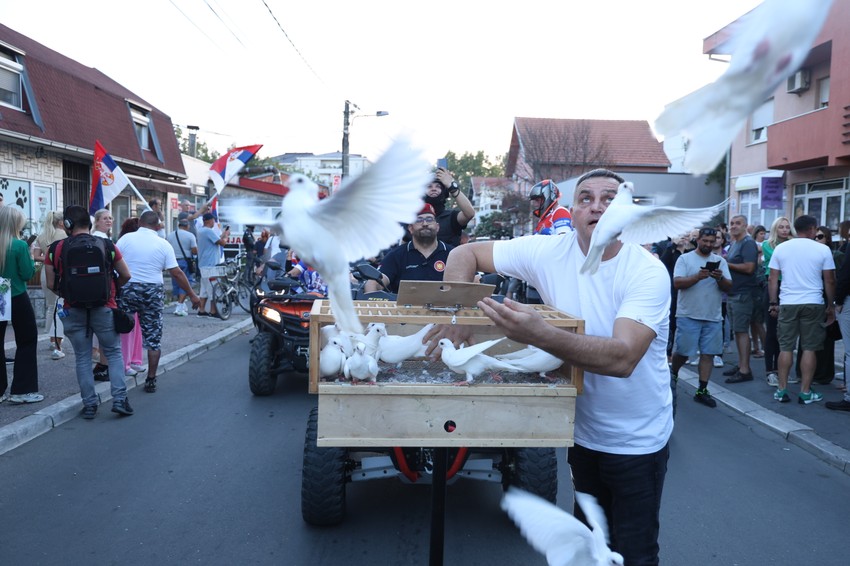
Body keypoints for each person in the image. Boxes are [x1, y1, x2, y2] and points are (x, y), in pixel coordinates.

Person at [432, 168, 672, 565]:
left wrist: (541, 334)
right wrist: (457, 311)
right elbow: (465, 252)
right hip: (581, 433)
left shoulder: (646, 271)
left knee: (634, 554)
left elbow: (623, 357)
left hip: (637, 440)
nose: (597, 207)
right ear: (571, 211)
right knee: (592, 547)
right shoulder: (549, 251)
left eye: (610, 199)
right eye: (586, 199)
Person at [44, 205, 132, 418]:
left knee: (83, 357)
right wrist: (111, 290)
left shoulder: (55, 249)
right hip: (105, 307)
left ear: (66, 225)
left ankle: (90, 404)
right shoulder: (107, 245)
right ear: (90, 223)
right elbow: (126, 274)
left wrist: (66, 292)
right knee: (113, 352)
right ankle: (119, 399)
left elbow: (50, 283)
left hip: (73, 309)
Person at [116, 210, 200, 393]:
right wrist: (192, 295)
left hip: (128, 287)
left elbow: (113, 265)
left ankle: (119, 374)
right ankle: (151, 379)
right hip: (152, 290)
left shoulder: (124, 240)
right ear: (158, 226)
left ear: (140, 223)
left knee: (122, 330)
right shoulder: (163, 244)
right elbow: (176, 273)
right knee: (153, 338)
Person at [767, 215, 835, 405]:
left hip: (788, 302)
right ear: (813, 229)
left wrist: (773, 303)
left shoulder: (781, 248)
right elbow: (829, 280)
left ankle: (782, 390)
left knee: (786, 347)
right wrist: (831, 305)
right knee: (809, 348)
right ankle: (805, 392)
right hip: (813, 302)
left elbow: (773, 278)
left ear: (796, 229)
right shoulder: (823, 249)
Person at [670, 227, 732, 408]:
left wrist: (720, 279)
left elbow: (729, 287)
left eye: (712, 242)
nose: (709, 244)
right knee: (683, 352)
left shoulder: (720, 261)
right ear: (698, 240)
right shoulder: (685, 259)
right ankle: (673, 373)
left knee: (709, 354)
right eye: (705, 241)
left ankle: (702, 389)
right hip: (688, 314)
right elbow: (677, 283)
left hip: (713, 315)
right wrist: (697, 277)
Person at [0, 206, 44, 404]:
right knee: (27, 340)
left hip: (1, 295)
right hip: (17, 295)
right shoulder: (18, 245)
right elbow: (27, 274)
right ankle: (22, 390)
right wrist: (32, 258)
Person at [366, 204, 453, 294]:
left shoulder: (452, 254)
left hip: (442, 307)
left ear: (437, 227)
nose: (425, 224)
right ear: (410, 228)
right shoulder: (396, 255)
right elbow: (374, 283)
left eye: (429, 219)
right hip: (404, 308)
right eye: (419, 220)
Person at [722, 215, 761, 384]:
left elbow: (749, 267)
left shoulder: (748, 243)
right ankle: (741, 365)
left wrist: (725, 263)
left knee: (741, 331)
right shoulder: (734, 244)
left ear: (745, 226)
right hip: (733, 292)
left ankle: (745, 370)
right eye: (732, 223)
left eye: (738, 223)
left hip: (743, 294)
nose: (733, 226)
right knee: (738, 331)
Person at [30, 211, 67, 360]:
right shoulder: (63, 234)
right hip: (59, 272)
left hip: (46, 272)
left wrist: (48, 256)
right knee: (60, 306)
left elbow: (36, 256)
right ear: (60, 222)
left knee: (51, 305)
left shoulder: (42, 235)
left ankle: (51, 339)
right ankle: (57, 342)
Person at [761, 217, 793, 386]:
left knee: (786, 333)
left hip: (789, 286)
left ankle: (782, 370)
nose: (784, 230)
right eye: (781, 227)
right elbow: (781, 260)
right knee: (772, 332)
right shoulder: (768, 244)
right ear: (775, 228)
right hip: (773, 286)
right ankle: (770, 371)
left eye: (787, 227)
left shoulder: (793, 243)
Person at [117, 217, 145, 378]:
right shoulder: (125, 242)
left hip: (135, 286)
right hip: (127, 287)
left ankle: (135, 360)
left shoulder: (130, 242)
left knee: (136, 326)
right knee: (128, 327)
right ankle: (126, 363)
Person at [421, 168, 474, 247]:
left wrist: (451, 186)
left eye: (438, 186)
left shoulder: (452, 217)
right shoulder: (414, 218)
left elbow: (470, 213)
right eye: (429, 186)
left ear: (444, 192)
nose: (434, 189)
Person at [197, 212, 230, 317]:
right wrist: (226, 237)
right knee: (213, 289)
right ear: (208, 220)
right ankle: (213, 311)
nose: (214, 223)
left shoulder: (201, 231)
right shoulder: (208, 231)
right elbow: (222, 243)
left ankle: (201, 310)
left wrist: (223, 234)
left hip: (203, 264)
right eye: (213, 220)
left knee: (204, 290)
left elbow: (216, 239)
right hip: (211, 265)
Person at [166, 219, 198, 316]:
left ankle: (181, 303)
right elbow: (194, 250)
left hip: (172, 262)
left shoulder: (170, 235)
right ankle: (179, 306)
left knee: (176, 283)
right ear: (187, 226)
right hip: (185, 261)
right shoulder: (190, 236)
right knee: (185, 282)